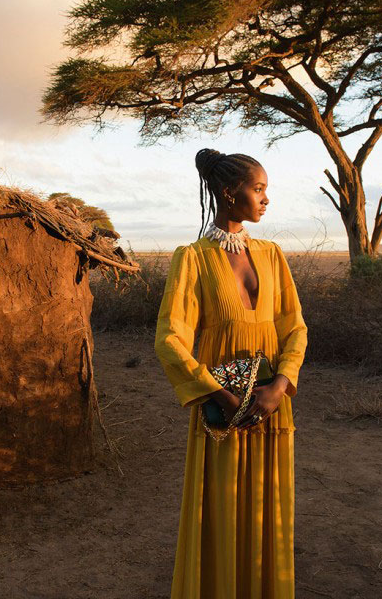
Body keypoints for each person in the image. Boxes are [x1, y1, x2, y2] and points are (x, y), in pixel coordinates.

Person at [154, 148, 308, 598]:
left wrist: (279, 385)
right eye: (258, 189)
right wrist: (222, 395)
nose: (265, 200)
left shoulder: (273, 254)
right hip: (222, 414)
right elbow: (170, 338)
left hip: (273, 408)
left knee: (268, 510)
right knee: (221, 510)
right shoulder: (193, 259)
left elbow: (294, 326)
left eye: (266, 191)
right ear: (228, 192)